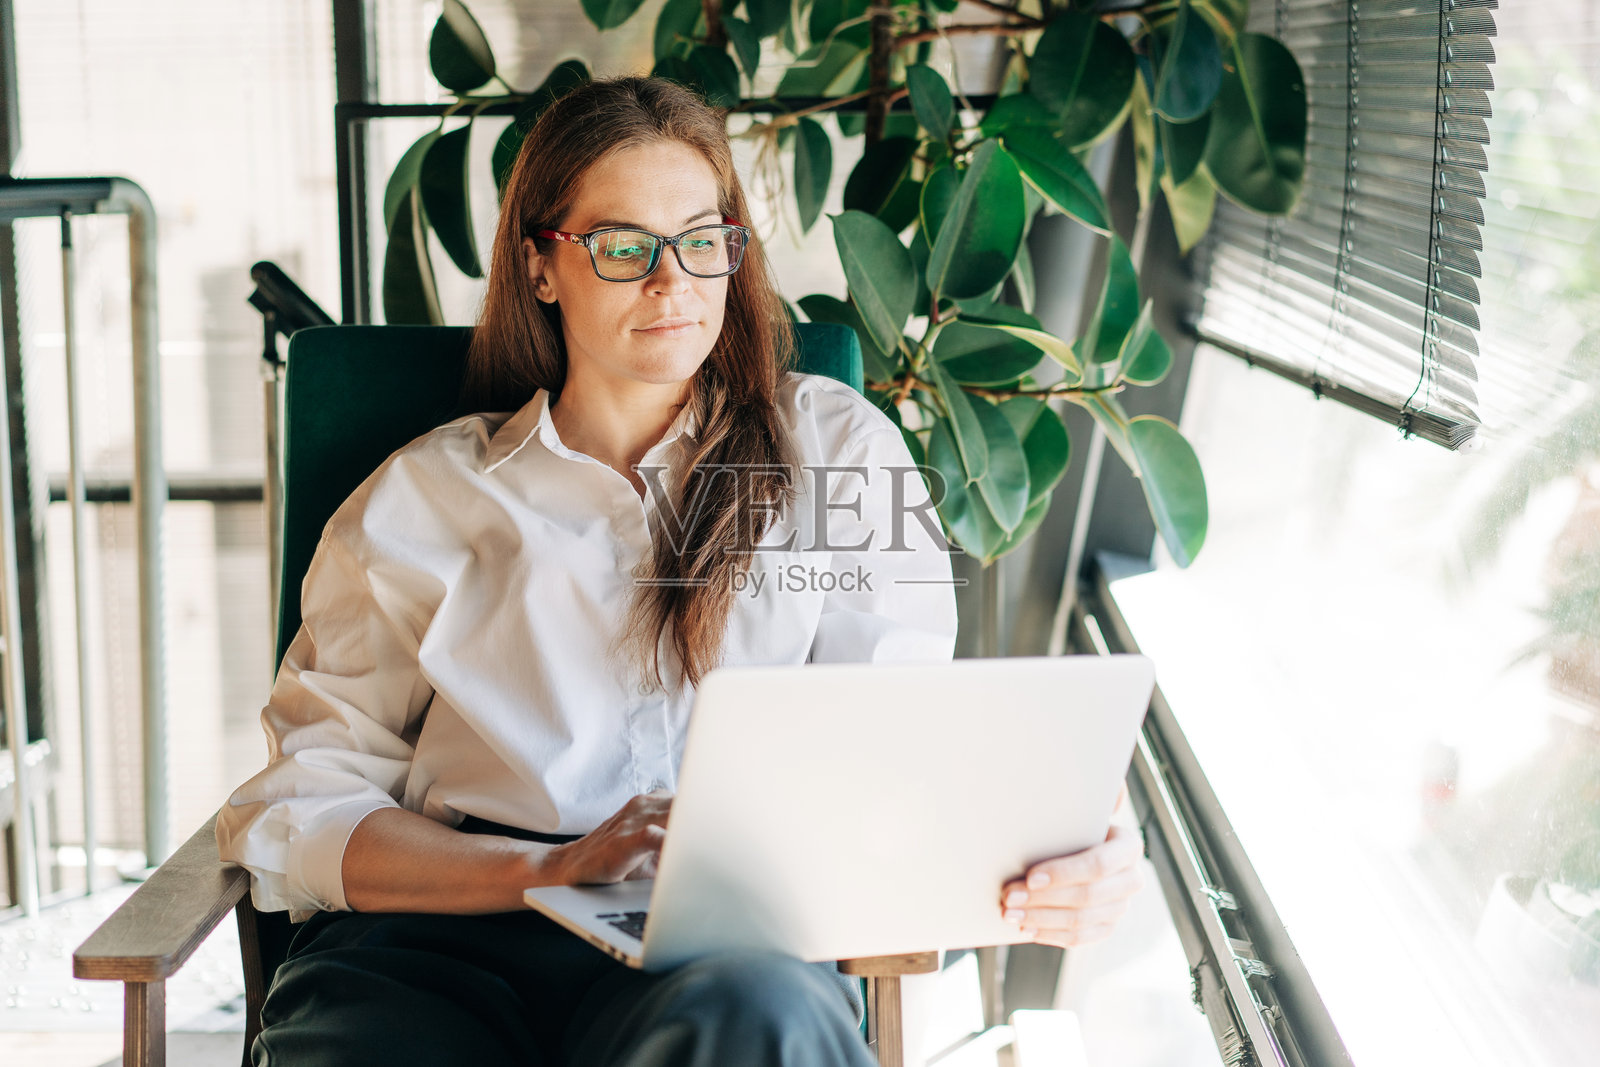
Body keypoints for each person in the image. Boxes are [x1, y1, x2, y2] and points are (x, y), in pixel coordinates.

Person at [216, 75, 1145, 1066]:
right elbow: (301, 806)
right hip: (440, 938)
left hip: (722, 942)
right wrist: (555, 866)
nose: (674, 284)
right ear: (541, 264)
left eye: (701, 240)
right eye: (623, 247)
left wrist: (1071, 843)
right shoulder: (423, 499)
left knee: (760, 1015)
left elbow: (901, 744)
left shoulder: (831, 453)